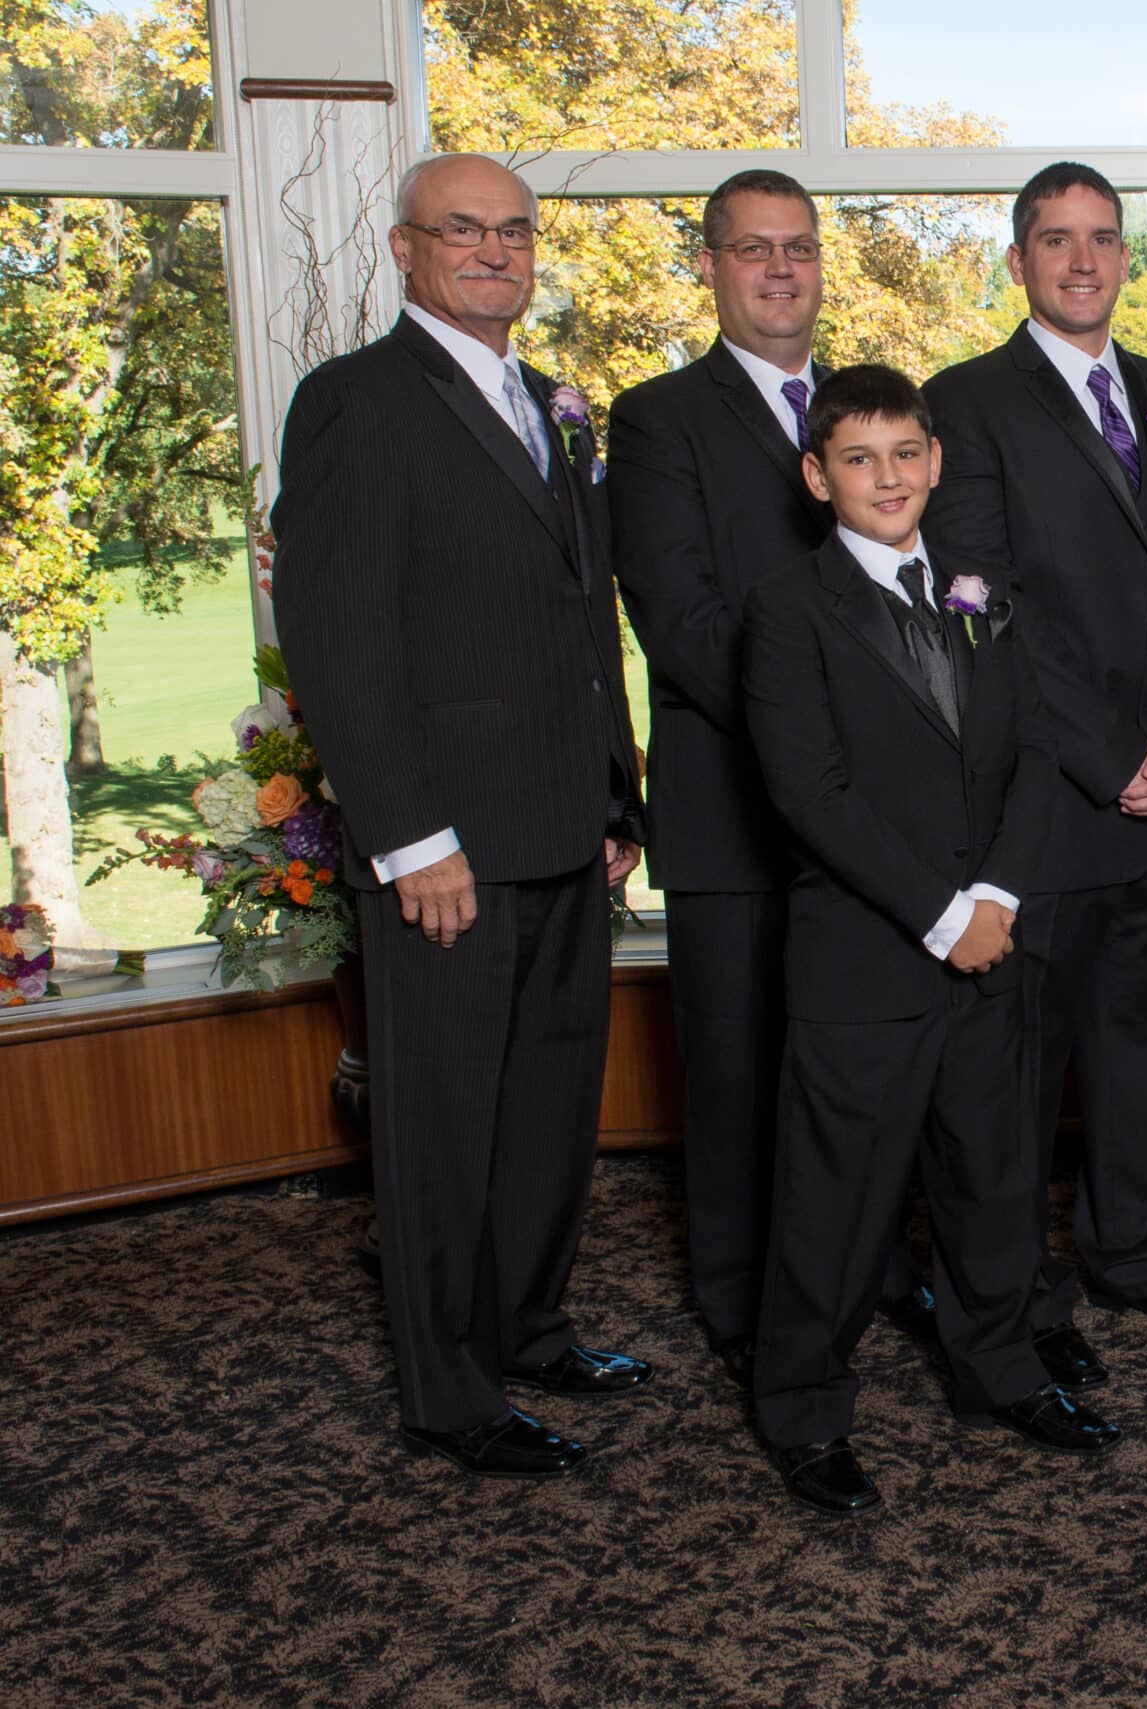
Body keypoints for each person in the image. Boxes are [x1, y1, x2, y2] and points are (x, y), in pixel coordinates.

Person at [272, 152, 649, 1479]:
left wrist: (615, 797)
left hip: (565, 830)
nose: (493, 251)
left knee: (548, 1106)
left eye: (513, 231)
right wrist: (410, 837)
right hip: (447, 850)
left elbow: (584, 615)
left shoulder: (553, 404)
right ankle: (447, 1390)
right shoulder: (356, 401)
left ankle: (529, 1327)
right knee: (441, 1128)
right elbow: (336, 638)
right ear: (404, 249)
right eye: (462, 230)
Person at [741, 364, 1120, 1516]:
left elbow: (1038, 749)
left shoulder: (979, 589)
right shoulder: (787, 607)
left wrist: (996, 893)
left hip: (992, 939)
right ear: (818, 477)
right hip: (866, 959)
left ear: (936, 460)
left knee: (991, 1172)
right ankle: (803, 1406)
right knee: (836, 1200)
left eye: (905, 451)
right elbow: (810, 792)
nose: (888, 476)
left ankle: (999, 1366)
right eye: (858, 458)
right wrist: (943, 913)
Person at [923, 164, 1147, 1392]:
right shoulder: (965, 403)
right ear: (1018, 261)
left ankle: (1136, 1257)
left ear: (1123, 256)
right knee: (1015, 1081)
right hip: (1049, 810)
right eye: (1055, 240)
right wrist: (1116, 757)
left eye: (1102, 238)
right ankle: (1019, 1296)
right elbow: (987, 614)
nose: (1081, 260)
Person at [610, 168, 935, 1389]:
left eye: (798, 246)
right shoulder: (657, 421)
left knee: (862, 1055)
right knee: (743, 1068)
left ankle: (875, 1263)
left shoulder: (866, 412)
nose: (780, 269)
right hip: (734, 809)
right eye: (753, 249)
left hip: (872, 820)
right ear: (710, 266)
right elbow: (682, 623)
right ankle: (743, 1300)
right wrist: (823, 738)